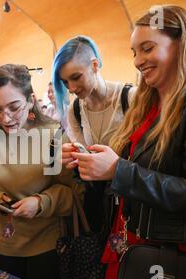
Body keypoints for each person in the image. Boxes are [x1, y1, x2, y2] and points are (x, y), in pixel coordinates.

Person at [66, 5, 186, 279]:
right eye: (134, 52)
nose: (138, 61)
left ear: (181, 43)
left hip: (181, 255)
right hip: (141, 244)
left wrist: (119, 170)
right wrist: (90, 165)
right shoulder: (151, 102)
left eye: (147, 48)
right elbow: (140, 174)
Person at [0, 64, 82, 279]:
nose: (6, 118)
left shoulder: (53, 135)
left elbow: (72, 192)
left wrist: (41, 203)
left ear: (31, 100)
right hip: (4, 242)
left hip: (46, 245)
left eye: (14, 107)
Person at [56, 35, 136, 239]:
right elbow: (87, 162)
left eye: (76, 77)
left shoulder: (131, 98)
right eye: (65, 82)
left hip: (132, 203)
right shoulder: (75, 109)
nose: (72, 88)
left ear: (94, 65)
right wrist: (73, 156)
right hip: (101, 204)